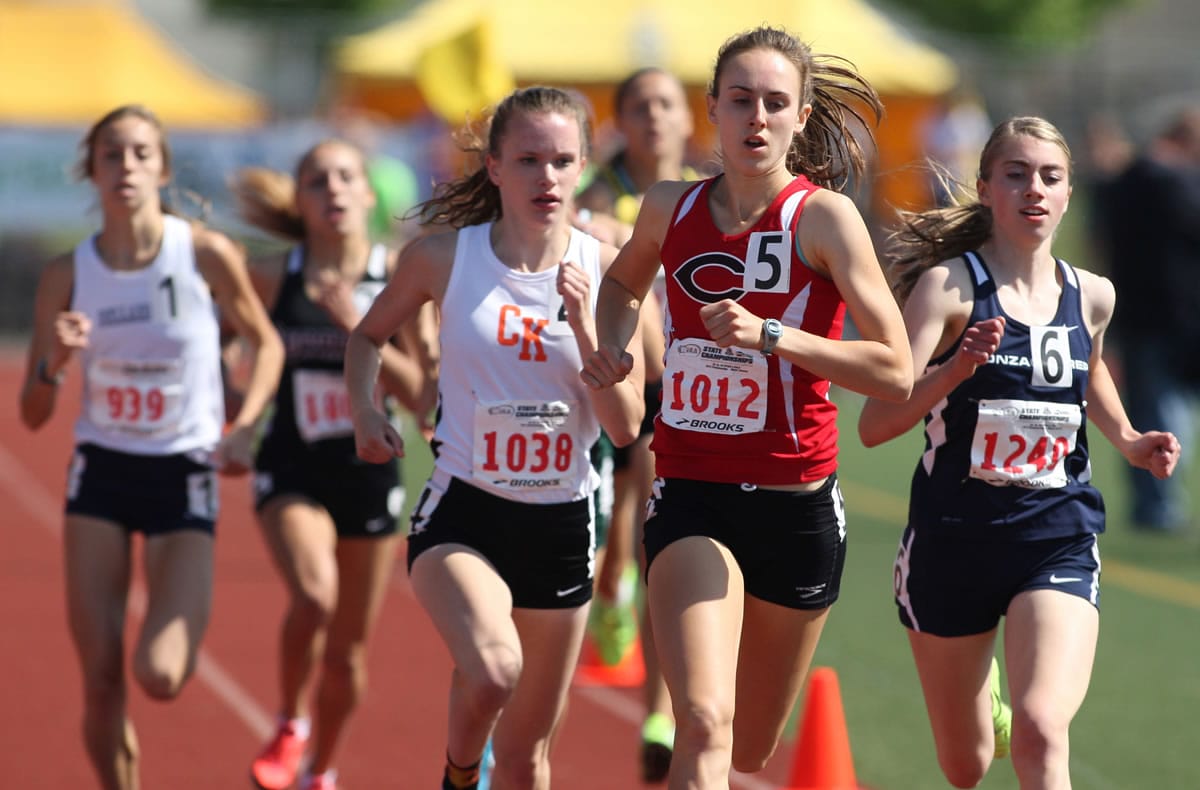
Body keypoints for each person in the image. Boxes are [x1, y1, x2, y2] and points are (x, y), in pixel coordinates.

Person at [585, 26, 912, 788]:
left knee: (751, 748)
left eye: (774, 103)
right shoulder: (670, 206)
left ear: (800, 118)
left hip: (795, 507)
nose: (755, 118)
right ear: (714, 110)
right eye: (740, 101)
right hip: (692, 493)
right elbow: (621, 285)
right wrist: (616, 351)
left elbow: (896, 370)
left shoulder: (824, 218)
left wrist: (776, 337)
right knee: (701, 719)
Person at [859, 116, 1182, 789]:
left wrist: (1127, 438)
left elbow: (1086, 370)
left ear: (1068, 194)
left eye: (1050, 176)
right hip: (951, 543)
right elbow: (876, 421)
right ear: (985, 189)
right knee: (966, 764)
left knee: (1041, 729)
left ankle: (1020, 708)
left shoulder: (1093, 295)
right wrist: (952, 371)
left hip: (1054, 535)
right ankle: (986, 703)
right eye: (1016, 174)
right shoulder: (948, 290)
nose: (1034, 189)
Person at [345, 85, 646, 790]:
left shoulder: (610, 270)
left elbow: (627, 426)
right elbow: (367, 337)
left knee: (524, 759)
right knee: (492, 669)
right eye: (529, 159)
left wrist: (583, 322)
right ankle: (455, 774)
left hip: (564, 522)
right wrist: (364, 409)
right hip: (465, 509)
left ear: (582, 169)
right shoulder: (445, 257)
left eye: (562, 160)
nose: (547, 177)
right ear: (495, 168)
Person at [17, 104, 284, 790]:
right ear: (92, 171)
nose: (126, 167)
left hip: (183, 472)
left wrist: (246, 423)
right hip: (101, 473)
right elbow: (35, 414)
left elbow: (266, 343)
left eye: (140, 154)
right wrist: (56, 360)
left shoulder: (201, 253)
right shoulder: (66, 274)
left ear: (161, 168)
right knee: (102, 677)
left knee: (159, 675)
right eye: (111, 154)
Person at [230, 140, 433, 790]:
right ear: (302, 200)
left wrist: (359, 328)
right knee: (313, 595)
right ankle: (291, 721)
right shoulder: (271, 275)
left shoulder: (399, 275)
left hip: (371, 474)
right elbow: (220, 337)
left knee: (347, 653)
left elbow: (424, 394)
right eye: (318, 181)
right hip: (290, 467)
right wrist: (233, 408)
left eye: (348, 177)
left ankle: (322, 768)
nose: (335, 190)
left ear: (370, 196)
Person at [574, 66, 697, 784]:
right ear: (622, 121)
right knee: (619, 514)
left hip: (679, 382)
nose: (654, 117)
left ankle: (658, 708)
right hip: (604, 373)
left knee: (660, 537)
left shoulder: (706, 196)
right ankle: (608, 581)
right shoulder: (599, 194)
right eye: (640, 106)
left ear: (688, 119)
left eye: (666, 104)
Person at [1097, 107, 1200, 532]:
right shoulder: (1176, 183)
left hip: (1137, 314)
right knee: (1164, 415)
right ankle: (1158, 505)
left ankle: (1151, 503)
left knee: (1146, 411)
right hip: (1176, 317)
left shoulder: (1124, 181)